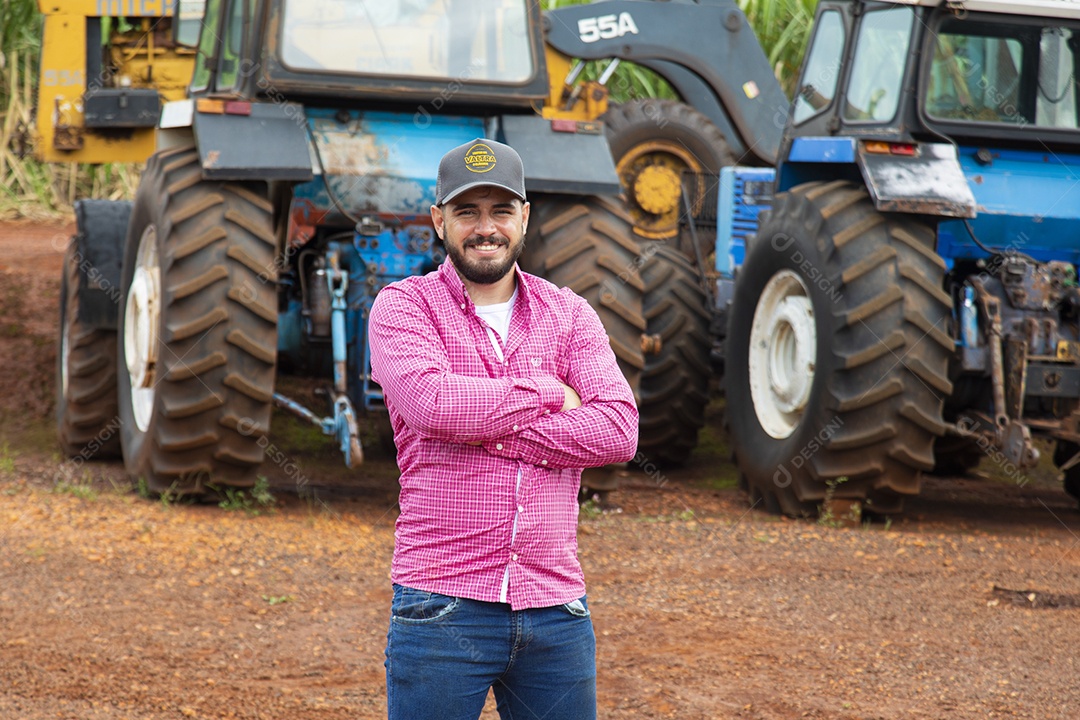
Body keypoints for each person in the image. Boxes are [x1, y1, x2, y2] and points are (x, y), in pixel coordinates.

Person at [368, 137, 638, 720]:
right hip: (441, 605)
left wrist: (481, 424)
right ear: (439, 220)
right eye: (467, 211)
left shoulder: (569, 314)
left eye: (500, 211)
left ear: (525, 218)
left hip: (556, 609)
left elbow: (618, 430)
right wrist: (551, 395)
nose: (484, 227)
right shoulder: (403, 307)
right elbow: (433, 404)